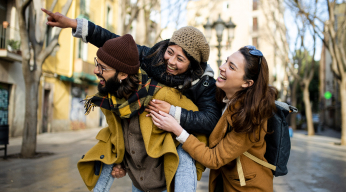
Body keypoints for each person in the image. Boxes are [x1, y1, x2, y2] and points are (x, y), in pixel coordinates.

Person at [41, 8, 222, 191]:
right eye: (170, 51)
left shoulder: (204, 83)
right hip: (145, 158)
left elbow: (211, 120)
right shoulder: (153, 58)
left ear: (193, 64)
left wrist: (173, 112)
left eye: (180, 59)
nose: (171, 61)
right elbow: (113, 43)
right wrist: (74, 24)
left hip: (176, 152)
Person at [76, 34, 207, 192]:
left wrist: (191, 172)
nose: (96, 70)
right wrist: (121, 162)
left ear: (124, 75)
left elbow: (202, 129)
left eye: (103, 68)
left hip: (167, 186)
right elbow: (118, 136)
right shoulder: (110, 99)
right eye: (98, 64)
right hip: (138, 185)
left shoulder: (161, 95)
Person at [150, 46, 278, 191]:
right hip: (225, 183)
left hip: (248, 188)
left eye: (231, 67)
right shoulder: (222, 98)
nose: (222, 67)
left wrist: (176, 129)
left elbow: (214, 158)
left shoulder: (252, 118)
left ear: (247, 83)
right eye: (226, 61)